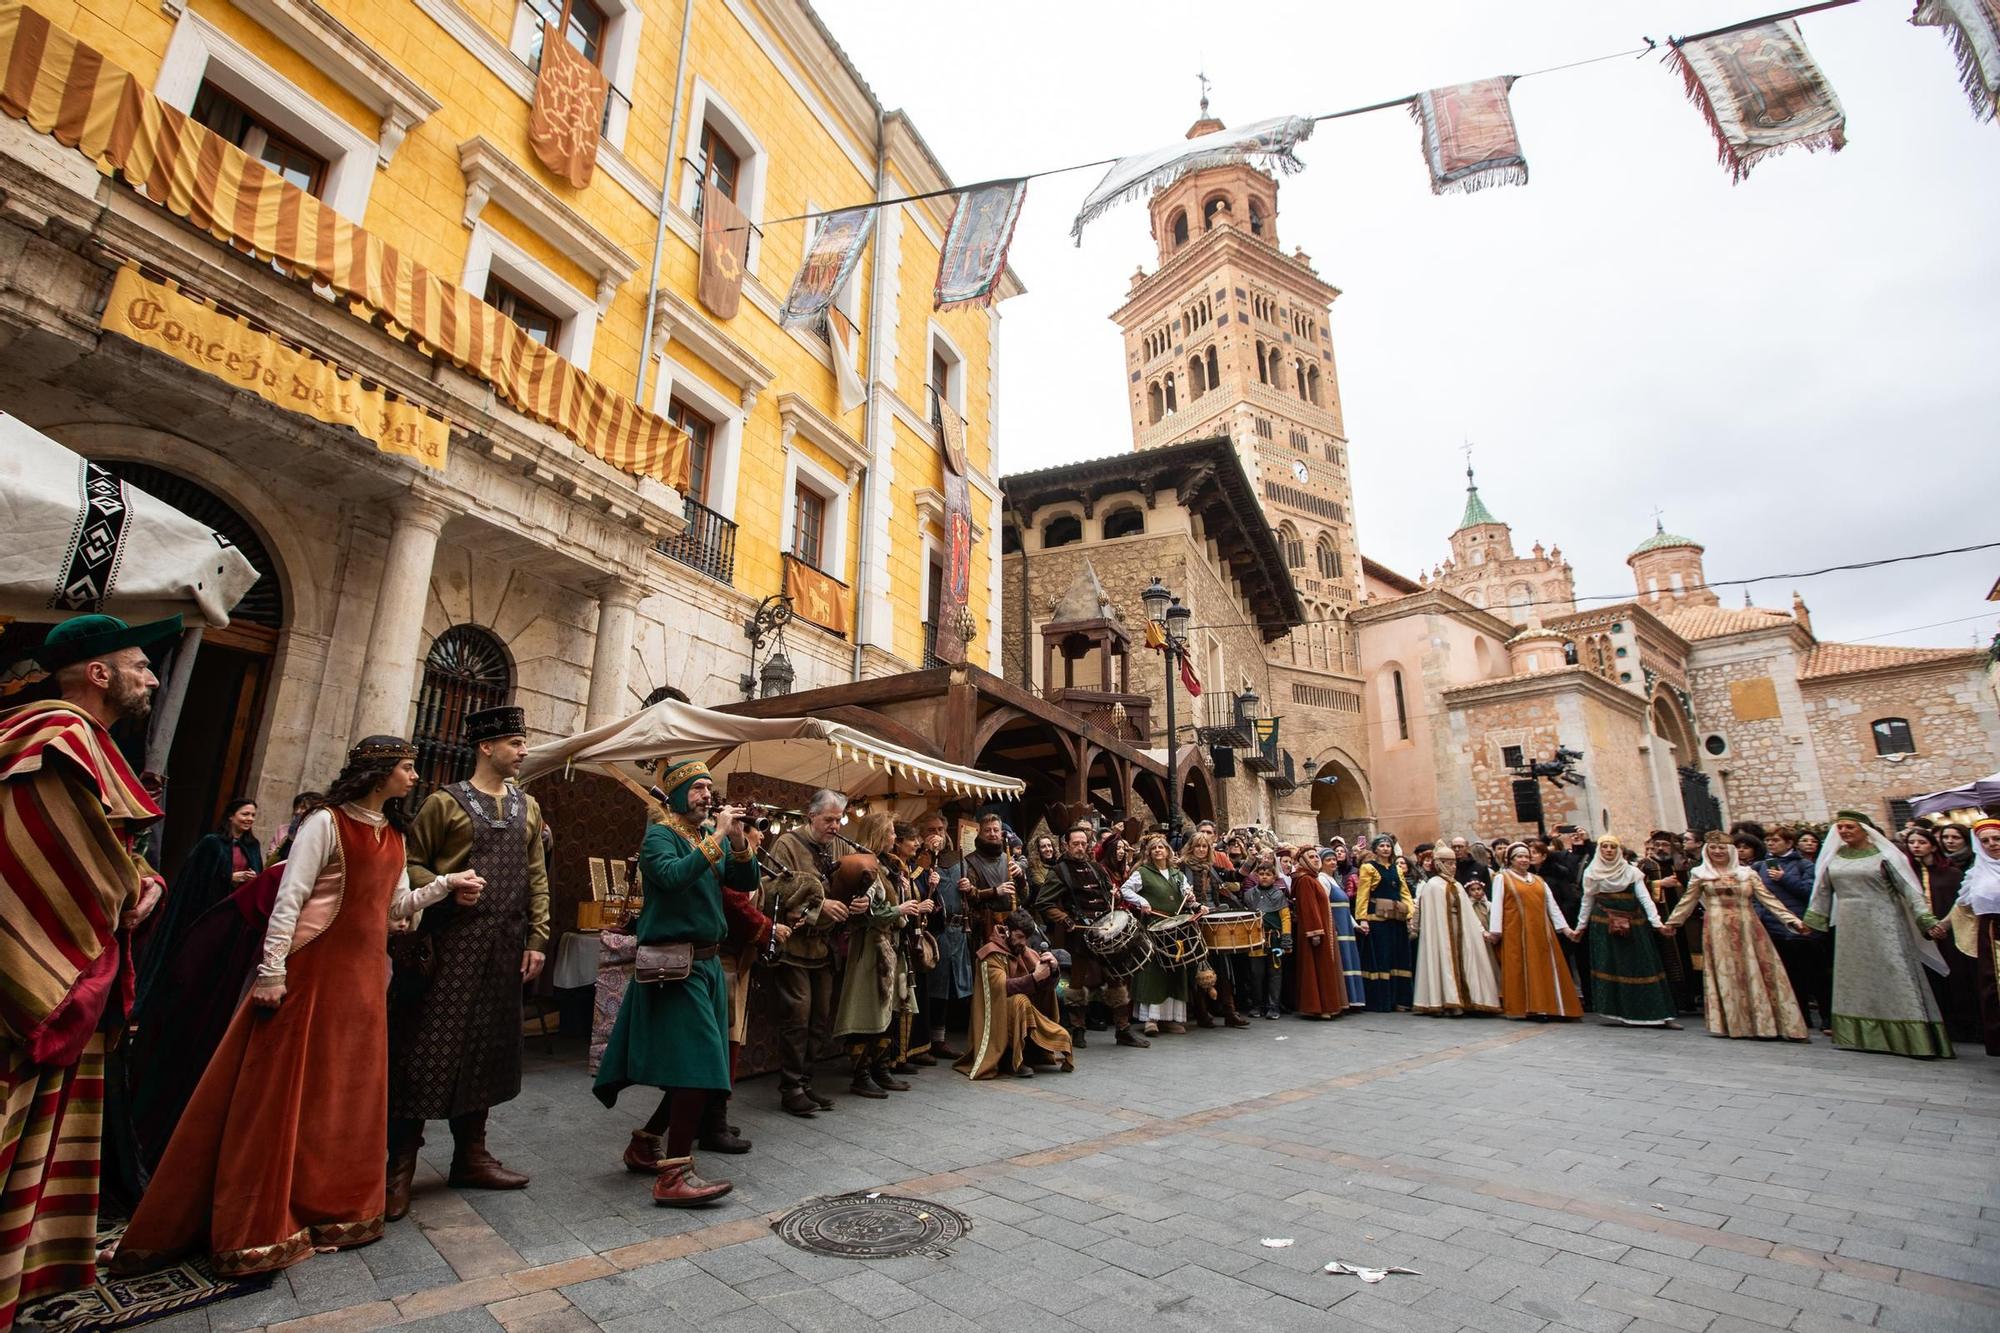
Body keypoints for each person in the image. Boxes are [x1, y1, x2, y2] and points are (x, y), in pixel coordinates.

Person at [116, 736, 476, 1274]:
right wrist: (272, 970)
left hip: (364, 976)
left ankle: (329, 1208)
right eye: (406, 768)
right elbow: (291, 897)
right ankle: (261, 1218)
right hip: (312, 969)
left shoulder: (396, 833)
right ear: (378, 774)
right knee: (282, 1090)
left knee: (341, 1093)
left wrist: (444, 885)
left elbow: (395, 906)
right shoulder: (326, 823)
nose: (413, 777)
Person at [0, 615, 172, 1321]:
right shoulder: (58, 738)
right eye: (139, 665)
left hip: (72, 970)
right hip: (40, 973)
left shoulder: (81, 739)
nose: (153, 677)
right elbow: (62, 855)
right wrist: (138, 886)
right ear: (97, 673)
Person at [387, 705, 549, 1219]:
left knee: (487, 1047)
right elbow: (409, 862)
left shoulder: (530, 807)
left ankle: (471, 1156)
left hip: (504, 946)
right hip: (448, 949)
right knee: (425, 1048)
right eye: (515, 743)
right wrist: (443, 888)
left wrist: (538, 938)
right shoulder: (443, 803)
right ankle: (400, 1166)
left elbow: (536, 876)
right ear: (486, 747)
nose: (523, 750)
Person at [592, 759, 762, 1205]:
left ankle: (646, 1141)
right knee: (700, 1066)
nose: (708, 795)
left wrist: (739, 840)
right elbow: (670, 878)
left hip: (704, 966)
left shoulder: (707, 836)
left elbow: (743, 881)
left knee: (702, 1067)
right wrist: (721, 836)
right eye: (698, 788)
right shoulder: (660, 837)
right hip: (674, 965)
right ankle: (673, 1177)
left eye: (710, 788)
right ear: (678, 793)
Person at [1803, 812, 1952, 1059]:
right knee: (1857, 978)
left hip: (1886, 921)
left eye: (1850, 826)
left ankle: (1912, 1038)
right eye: (1840, 828)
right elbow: (1822, 891)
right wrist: (1811, 922)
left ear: (1864, 829)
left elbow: (1909, 889)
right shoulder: (1833, 858)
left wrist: (1925, 919)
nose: (1844, 831)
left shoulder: (1886, 856)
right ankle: (1863, 1036)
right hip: (1850, 924)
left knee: (1896, 972)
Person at [1660, 833, 1808, 1041]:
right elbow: (1688, 901)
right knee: (1727, 972)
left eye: (1722, 848)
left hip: (1748, 927)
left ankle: (1764, 1022)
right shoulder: (1700, 874)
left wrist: (1791, 920)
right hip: (1717, 928)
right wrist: (1673, 923)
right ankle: (1737, 1023)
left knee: (1755, 970)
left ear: (1730, 851)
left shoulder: (1747, 873)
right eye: (1713, 848)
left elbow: (1768, 899)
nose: (1718, 852)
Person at [764, 790, 852, 1116]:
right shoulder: (787, 845)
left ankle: (806, 1082)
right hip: (795, 946)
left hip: (824, 948)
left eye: (838, 819)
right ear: (810, 816)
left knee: (819, 1020)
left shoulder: (837, 847)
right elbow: (772, 890)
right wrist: (818, 905)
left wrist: (855, 901)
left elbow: (846, 887)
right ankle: (791, 1088)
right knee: (798, 1017)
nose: (834, 826)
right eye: (828, 819)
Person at [833, 813, 927, 1099]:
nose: (893, 838)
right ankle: (862, 1075)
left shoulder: (889, 865)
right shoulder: (866, 866)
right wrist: (899, 911)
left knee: (889, 1012)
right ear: (878, 834)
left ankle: (881, 1069)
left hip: (891, 947)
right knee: (867, 1012)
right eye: (889, 833)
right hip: (872, 949)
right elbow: (865, 913)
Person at [138, 797, 260, 1011]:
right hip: (206, 913)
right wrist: (228, 878)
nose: (249, 819)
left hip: (233, 918)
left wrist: (253, 878)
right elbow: (196, 881)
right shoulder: (211, 844)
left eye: (252, 815)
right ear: (231, 816)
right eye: (245, 814)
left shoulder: (252, 846)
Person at [1047, 825, 1146, 1048]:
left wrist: (1115, 894)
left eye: (1084, 843)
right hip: (1080, 934)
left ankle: (1122, 1030)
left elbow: (1108, 892)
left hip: (1105, 930)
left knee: (1116, 979)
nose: (1080, 848)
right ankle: (1078, 1029)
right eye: (1076, 844)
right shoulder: (1059, 871)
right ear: (1066, 845)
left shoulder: (1096, 867)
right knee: (1077, 983)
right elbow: (1044, 903)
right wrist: (1065, 919)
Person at [1574, 838, 1679, 1029]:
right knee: (1614, 966)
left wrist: (1657, 923)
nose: (1608, 850)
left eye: (1612, 847)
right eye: (1604, 847)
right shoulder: (1592, 873)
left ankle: (1656, 1014)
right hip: (1604, 925)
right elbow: (1587, 900)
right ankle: (1621, 1012)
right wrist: (1580, 927)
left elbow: (1645, 898)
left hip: (1633, 924)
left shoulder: (1631, 871)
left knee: (1642, 965)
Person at [957, 914, 1073, 1079]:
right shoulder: (990, 954)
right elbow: (1001, 988)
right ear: (1007, 931)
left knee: (1042, 996)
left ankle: (1031, 1051)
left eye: (1026, 938)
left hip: (1021, 1015)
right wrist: (1033, 978)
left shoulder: (1025, 951)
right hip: (997, 1016)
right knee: (1020, 1001)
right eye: (1019, 937)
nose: (1023, 943)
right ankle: (1009, 1059)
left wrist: (1052, 970)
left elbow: (1044, 987)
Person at [1488, 843, 1582, 1021]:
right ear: (1511, 860)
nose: (1524, 860)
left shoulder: (1538, 880)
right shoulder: (1503, 878)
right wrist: (1495, 931)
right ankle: (1533, 1007)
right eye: (1519, 857)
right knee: (1524, 967)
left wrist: (1566, 929)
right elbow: (1498, 905)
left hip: (1541, 931)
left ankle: (1552, 1006)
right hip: (1517, 931)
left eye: (1526, 856)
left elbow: (1552, 906)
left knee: (1545, 967)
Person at [1752, 825, 1829, 1034]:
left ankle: (1826, 1017)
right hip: (1773, 926)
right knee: (1789, 975)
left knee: (1814, 974)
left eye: (1775, 840)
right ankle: (1799, 1016)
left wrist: (1784, 878)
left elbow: (1810, 892)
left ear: (1788, 843)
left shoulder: (1803, 865)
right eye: (1768, 840)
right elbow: (1756, 895)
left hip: (1800, 925)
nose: (1770, 844)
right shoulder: (1760, 867)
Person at [1906, 825, 1978, 1043]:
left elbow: (1961, 903)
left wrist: (1943, 926)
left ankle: (1966, 1025)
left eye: (1922, 842)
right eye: (1912, 843)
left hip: (1950, 933)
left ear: (1932, 846)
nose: (1916, 846)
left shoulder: (1952, 872)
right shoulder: (1908, 875)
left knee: (1958, 978)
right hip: (1921, 934)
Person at [1120, 834, 1197, 1035]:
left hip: (1175, 927)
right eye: (1154, 848)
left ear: (1168, 851)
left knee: (1174, 969)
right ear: (1149, 852)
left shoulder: (1177, 874)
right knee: (1153, 970)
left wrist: (1190, 898)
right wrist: (1142, 902)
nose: (1158, 850)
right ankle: (1151, 1019)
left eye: (1161, 847)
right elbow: (1125, 890)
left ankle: (1170, 1019)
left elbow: (1187, 896)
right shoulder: (1143, 873)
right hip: (1153, 926)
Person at [1410, 845, 1500, 1017]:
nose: (1453, 867)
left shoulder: (1457, 885)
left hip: (1461, 930)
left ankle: (1468, 999)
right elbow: (1430, 914)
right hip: (1441, 932)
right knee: (1444, 960)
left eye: (1454, 863)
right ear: (1439, 864)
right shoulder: (1433, 886)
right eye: (1448, 863)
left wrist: (1480, 931)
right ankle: (1447, 1000)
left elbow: (1468, 911)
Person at [1180, 832, 1249, 1029]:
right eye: (1198, 846)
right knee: (1199, 967)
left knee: (1223, 965)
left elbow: (1234, 875)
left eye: (1205, 847)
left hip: (1214, 919)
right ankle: (1202, 1013)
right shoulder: (1183, 867)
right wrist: (1195, 907)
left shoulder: (1210, 868)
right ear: (1191, 848)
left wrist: (1251, 859)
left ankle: (1229, 1011)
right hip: (1194, 921)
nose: (1202, 850)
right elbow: (1183, 896)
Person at [1953, 819, 2000, 1055]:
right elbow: (1961, 906)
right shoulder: (1976, 873)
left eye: (1997, 839)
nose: (1992, 844)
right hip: (1992, 934)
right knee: (1995, 988)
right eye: (1985, 841)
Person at [1353, 835, 1415, 1012]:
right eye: (1382, 846)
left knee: (1399, 957)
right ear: (1376, 849)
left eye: (1388, 846)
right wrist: (1363, 918)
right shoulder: (1368, 868)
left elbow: (1404, 893)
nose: (1386, 849)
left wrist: (1409, 912)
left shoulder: (1397, 869)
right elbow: (1363, 894)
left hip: (1396, 919)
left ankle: (1400, 999)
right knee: (1382, 958)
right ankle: (1382, 1000)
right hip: (1378, 920)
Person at [1287, 848, 1346, 1020]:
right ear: (1303, 861)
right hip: (1314, 933)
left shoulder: (1312, 878)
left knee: (1323, 968)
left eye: (1316, 856)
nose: (1315, 860)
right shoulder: (1305, 880)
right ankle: (1320, 1007)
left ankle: (1327, 1005)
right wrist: (1315, 932)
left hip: (1322, 929)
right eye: (1311, 857)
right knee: (1318, 968)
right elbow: (1309, 907)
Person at [1320, 848, 1368, 1010]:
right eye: (1328, 860)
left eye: (1334, 859)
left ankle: (1353, 999)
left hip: (1346, 928)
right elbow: (1325, 906)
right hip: (1337, 928)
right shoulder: (1322, 880)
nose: (1333, 862)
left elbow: (1345, 908)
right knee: (1343, 961)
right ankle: (1344, 999)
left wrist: (1355, 925)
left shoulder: (1335, 880)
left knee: (1350, 960)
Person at [1242, 864, 1290, 1019]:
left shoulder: (1278, 895)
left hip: (1274, 940)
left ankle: (1273, 1007)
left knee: (1274, 974)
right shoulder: (1249, 895)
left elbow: (1285, 918)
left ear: (1274, 877)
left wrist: (1286, 941)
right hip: (1255, 940)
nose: (1264, 876)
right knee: (1256, 974)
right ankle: (1257, 1005)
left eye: (1268, 874)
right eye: (1261, 873)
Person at [265, 790, 322, 861]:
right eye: (296, 807)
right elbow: (271, 854)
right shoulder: (283, 830)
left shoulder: (318, 834)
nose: (297, 811)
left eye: (303, 807)